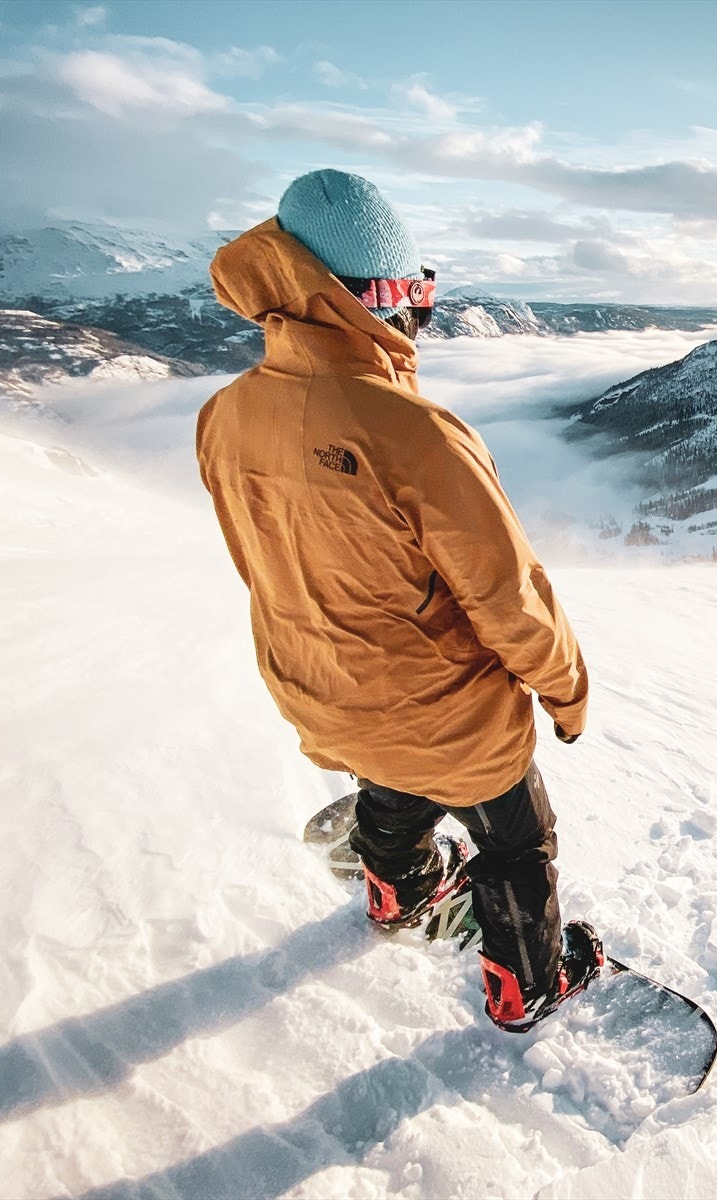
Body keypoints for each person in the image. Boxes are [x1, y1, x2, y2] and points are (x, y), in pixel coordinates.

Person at [196, 169, 598, 1031]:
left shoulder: (224, 413)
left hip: (314, 687)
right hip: (440, 709)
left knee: (389, 764)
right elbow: (509, 598)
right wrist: (565, 692)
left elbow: (258, 556)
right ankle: (529, 982)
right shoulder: (413, 432)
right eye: (415, 289)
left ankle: (396, 886)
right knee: (515, 835)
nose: (421, 312)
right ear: (373, 296)